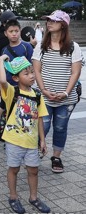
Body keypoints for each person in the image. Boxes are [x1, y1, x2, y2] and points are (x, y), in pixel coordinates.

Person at [0, 55, 50, 214]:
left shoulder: (37, 95)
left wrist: (42, 140)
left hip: (31, 141)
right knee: (13, 169)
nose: (32, 76)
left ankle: (33, 197)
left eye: (32, 72)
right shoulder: (11, 91)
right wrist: (1, 61)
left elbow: (40, 118)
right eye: (26, 74)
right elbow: (1, 80)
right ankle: (13, 197)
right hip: (14, 141)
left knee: (33, 170)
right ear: (16, 77)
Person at [32, 10, 82, 173]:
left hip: (66, 99)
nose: (49, 23)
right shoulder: (41, 46)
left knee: (60, 127)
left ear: (63, 25)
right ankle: (37, 151)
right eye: (49, 20)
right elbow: (37, 71)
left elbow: (75, 72)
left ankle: (56, 157)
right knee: (43, 126)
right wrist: (44, 90)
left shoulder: (73, 47)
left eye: (54, 21)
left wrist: (66, 93)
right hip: (44, 97)